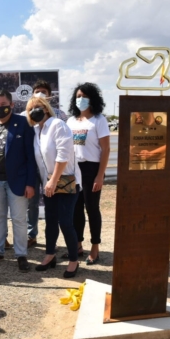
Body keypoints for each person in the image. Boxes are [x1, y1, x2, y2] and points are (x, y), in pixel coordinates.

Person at [0, 89, 36, 272]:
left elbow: (30, 156)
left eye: (3, 105)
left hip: (18, 181)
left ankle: (21, 255)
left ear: (12, 105)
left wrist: (30, 183)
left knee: (19, 219)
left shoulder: (23, 123)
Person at [27, 97, 82, 278]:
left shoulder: (57, 124)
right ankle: (50, 255)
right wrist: (47, 182)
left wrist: (53, 180)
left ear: (46, 108)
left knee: (65, 222)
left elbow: (63, 154)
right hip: (48, 184)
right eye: (31, 108)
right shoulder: (36, 130)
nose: (35, 110)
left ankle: (74, 260)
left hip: (65, 183)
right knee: (50, 221)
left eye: (38, 107)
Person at [20, 80, 68, 248]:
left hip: (52, 168)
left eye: (43, 92)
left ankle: (53, 239)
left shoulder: (60, 116)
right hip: (33, 166)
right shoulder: (25, 115)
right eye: (37, 92)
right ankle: (31, 234)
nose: (40, 95)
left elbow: (64, 146)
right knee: (31, 203)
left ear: (49, 96)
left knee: (54, 205)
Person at [67, 82, 110, 265]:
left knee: (92, 209)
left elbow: (106, 149)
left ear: (92, 99)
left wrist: (100, 176)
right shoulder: (70, 121)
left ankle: (95, 247)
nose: (80, 100)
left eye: (84, 96)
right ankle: (78, 245)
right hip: (74, 170)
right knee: (75, 210)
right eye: (77, 96)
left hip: (91, 169)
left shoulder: (99, 120)